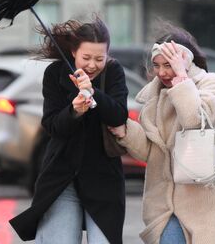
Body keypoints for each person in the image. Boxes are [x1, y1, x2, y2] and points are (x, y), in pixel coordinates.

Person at [108, 25, 215, 244]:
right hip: (164, 209)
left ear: (186, 61)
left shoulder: (212, 84)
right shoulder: (155, 96)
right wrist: (125, 130)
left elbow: (194, 120)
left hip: (205, 208)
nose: (162, 72)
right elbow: (152, 150)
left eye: (169, 65)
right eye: (157, 65)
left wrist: (181, 80)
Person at [9, 17, 129, 244]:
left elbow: (118, 115)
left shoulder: (113, 72)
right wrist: (73, 111)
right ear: (74, 51)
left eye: (99, 58)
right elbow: (52, 125)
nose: (92, 65)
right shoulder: (55, 73)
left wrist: (93, 92)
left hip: (103, 178)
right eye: (86, 58)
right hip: (62, 177)